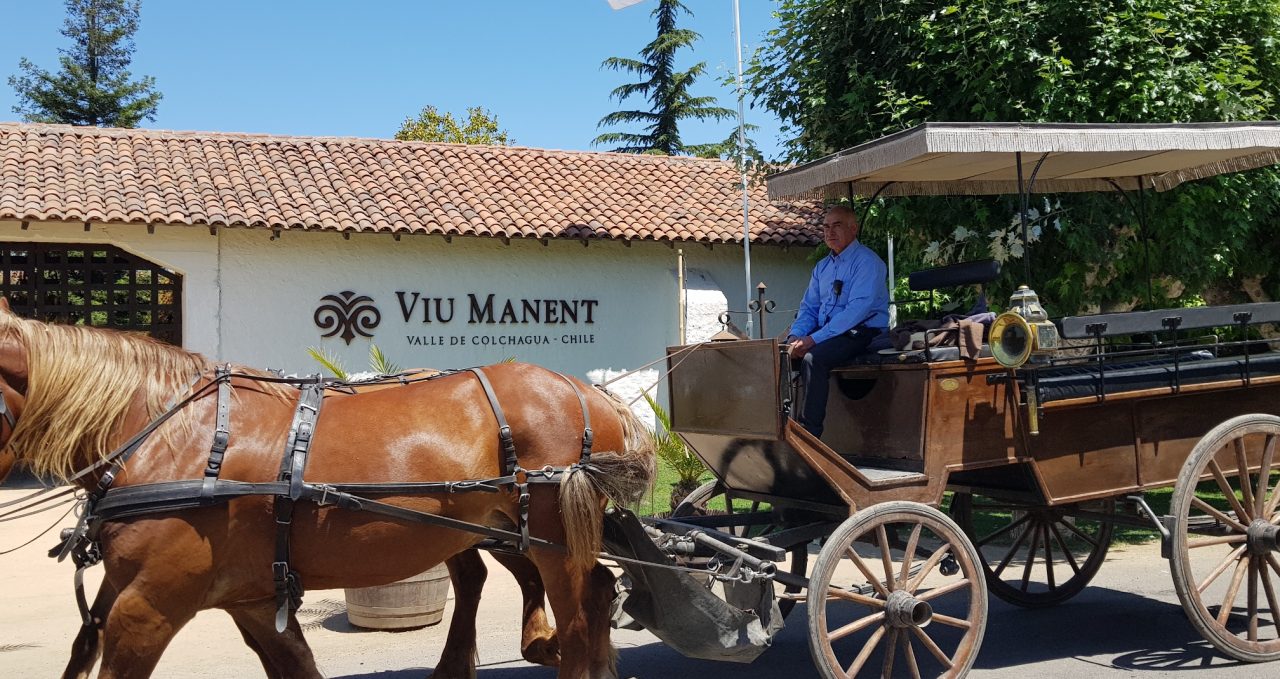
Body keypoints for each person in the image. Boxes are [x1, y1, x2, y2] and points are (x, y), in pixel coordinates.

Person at [786, 204, 889, 438]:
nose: (829, 232)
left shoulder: (867, 263)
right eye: (825, 227)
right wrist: (794, 337)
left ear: (853, 228)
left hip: (863, 331)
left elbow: (857, 311)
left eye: (837, 226)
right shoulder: (821, 268)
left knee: (813, 359)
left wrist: (812, 340)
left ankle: (809, 436)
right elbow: (809, 308)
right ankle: (782, 428)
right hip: (830, 332)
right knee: (781, 357)